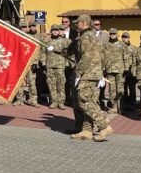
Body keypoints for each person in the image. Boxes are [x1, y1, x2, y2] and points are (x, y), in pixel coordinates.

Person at [71, 14, 113, 142]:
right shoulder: (91, 36)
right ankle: (87, 130)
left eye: (77, 23)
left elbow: (86, 57)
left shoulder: (86, 37)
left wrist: (79, 73)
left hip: (88, 73)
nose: (76, 24)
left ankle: (104, 126)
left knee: (84, 100)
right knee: (90, 100)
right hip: (94, 73)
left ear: (84, 23)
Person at [44, 24, 71, 109]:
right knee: (51, 84)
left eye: (56, 30)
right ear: (51, 31)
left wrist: (67, 63)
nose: (55, 31)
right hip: (50, 65)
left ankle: (61, 102)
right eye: (53, 30)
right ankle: (54, 101)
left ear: (59, 31)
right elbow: (43, 52)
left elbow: (68, 54)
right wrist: (43, 63)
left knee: (61, 84)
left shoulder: (64, 41)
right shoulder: (47, 41)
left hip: (60, 65)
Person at [103, 28, 126, 114]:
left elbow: (126, 58)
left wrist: (126, 68)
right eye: (111, 33)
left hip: (120, 70)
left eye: (114, 33)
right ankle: (114, 107)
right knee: (112, 90)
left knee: (120, 89)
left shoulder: (122, 45)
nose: (112, 35)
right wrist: (103, 68)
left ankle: (121, 107)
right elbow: (103, 57)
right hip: (110, 70)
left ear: (117, 35)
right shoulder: (105, 45)